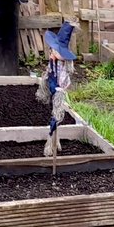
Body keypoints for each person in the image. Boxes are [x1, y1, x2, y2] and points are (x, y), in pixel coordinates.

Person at [37, 20, 77, 156]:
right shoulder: (53, 63)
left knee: (56, 116)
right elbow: (49, 73)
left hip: (58, 91)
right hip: (52, 88)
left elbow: (64, 83)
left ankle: (51, 143)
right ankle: (55, 141)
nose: (51, 51)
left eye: (55, 50)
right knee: (54, 114)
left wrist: (60, 89)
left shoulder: (63, 68)